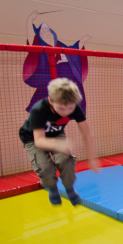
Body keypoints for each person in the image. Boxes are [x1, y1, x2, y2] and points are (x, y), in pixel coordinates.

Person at [19, 78, 99, 206]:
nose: (66, 112)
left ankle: (70, 189)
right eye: (61, 108)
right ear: (51, 101)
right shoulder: (38, 110)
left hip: (56, 134)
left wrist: (92, 159)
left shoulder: (73, 107)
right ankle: (52, 189)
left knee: (66, 161)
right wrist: (59, 145)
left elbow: (86, 133)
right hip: (33, 138)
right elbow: (39, 141)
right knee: (45, 167)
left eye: (70, 108)